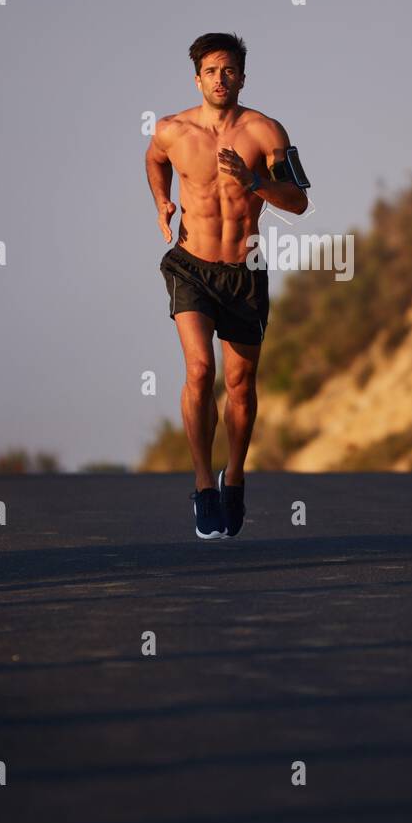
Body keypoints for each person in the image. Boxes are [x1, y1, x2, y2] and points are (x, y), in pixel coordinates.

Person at [145, 32, 308, 539]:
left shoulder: (267, 132)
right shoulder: (172, 130)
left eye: (230, 70)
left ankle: (233, 476)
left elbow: (300, 201)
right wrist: (162, 201)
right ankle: (203, 486)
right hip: (191, 265)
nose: (221, 79)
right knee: (200, 369)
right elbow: (154, 160)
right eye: (212, 71)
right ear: (198, 78)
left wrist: (254, 182)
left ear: (242, 76)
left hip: (245, 270)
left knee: (239, 385)